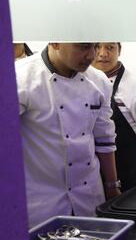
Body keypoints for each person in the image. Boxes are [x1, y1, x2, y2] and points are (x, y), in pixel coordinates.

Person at [15, 43, 121, 228]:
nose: (92, 55)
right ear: (55, 42)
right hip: (41, 203)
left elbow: (104, 139)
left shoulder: (99, 81)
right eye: (83, 47)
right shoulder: (20, 78)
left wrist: (112, 186)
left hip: (89, 195)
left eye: (94, 46)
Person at [92, 43, 136, 192]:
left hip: (128, 178)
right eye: (97, 47)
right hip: (89, 179)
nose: (103, 54)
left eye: (110, 47)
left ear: (119, 50)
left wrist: (130, 165)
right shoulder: (79, 82)